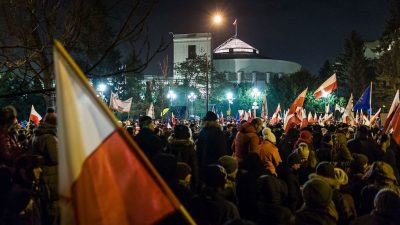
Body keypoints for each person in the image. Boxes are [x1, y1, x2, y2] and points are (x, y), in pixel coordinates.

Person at [30, 108, 59, 225]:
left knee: (46, 209)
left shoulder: (37, 135)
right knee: (53, 211)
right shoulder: (50, 138)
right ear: (54, 123)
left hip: (42, 176)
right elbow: (56, 158)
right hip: (51, 178)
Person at [166, 124, 198, 190]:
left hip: (171, 181)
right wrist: (195, 184)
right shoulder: (190, 147)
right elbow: (194, 166)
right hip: (186, 180)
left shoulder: (169, 145)